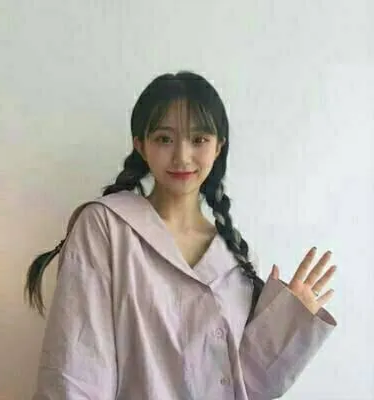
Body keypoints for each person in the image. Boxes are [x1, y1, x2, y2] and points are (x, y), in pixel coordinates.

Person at [25, 71, 337, 400]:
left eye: (199, 139)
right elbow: (76, 371)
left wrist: (286, 322)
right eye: (164, 139)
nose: (182, 156)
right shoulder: (106, 227)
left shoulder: (235, 258)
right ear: (140, 145)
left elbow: (242, 386)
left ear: (218, 147)